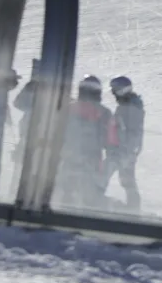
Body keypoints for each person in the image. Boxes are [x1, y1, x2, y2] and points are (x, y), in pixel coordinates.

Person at [59, 75, 112, 209]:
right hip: (92, 157)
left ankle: (65, 211)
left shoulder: (69, 108)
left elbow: (59, 130)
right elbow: (108, 138)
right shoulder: (104, 112)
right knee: (89, 191)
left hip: (70, 154)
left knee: (68, 188)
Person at [104, 76, 144, 212]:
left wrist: (125, 152)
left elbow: (132, 133)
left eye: (115, 91)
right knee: (126, 180)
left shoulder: (131, 108)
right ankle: (133, 208)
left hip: (122, 152)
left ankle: (92, 202)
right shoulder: (128, 105)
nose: (113, 94)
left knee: (103, 176)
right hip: (122, 151)